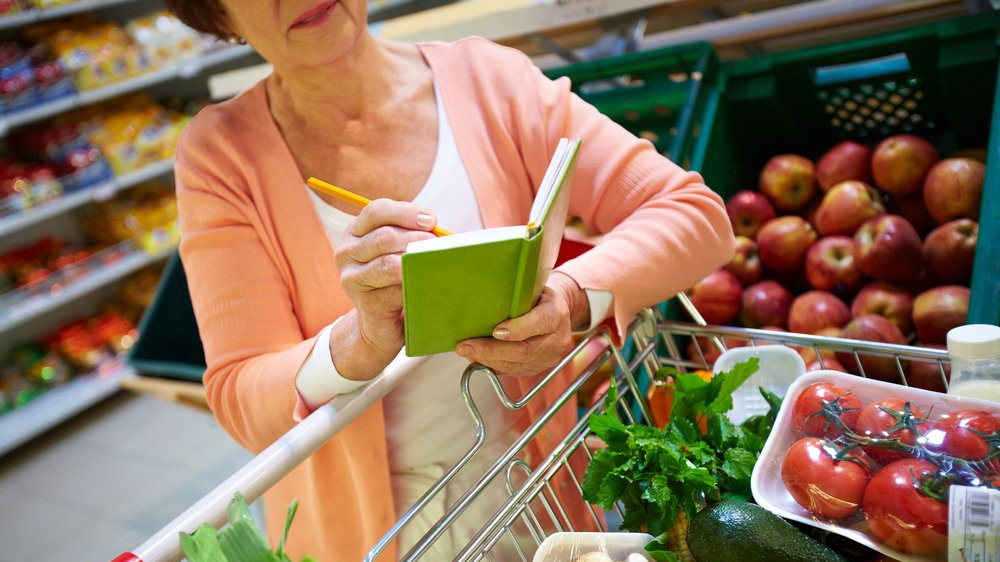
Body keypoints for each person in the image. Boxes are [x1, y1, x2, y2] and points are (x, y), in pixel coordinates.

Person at [166, 0, 735, 560]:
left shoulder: (488, 81)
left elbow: (693, 214)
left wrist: (570, 295)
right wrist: (357, 343)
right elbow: (240, 396)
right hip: (369, 540)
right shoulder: (221, 156)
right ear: (217, 15)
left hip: (544, 506)